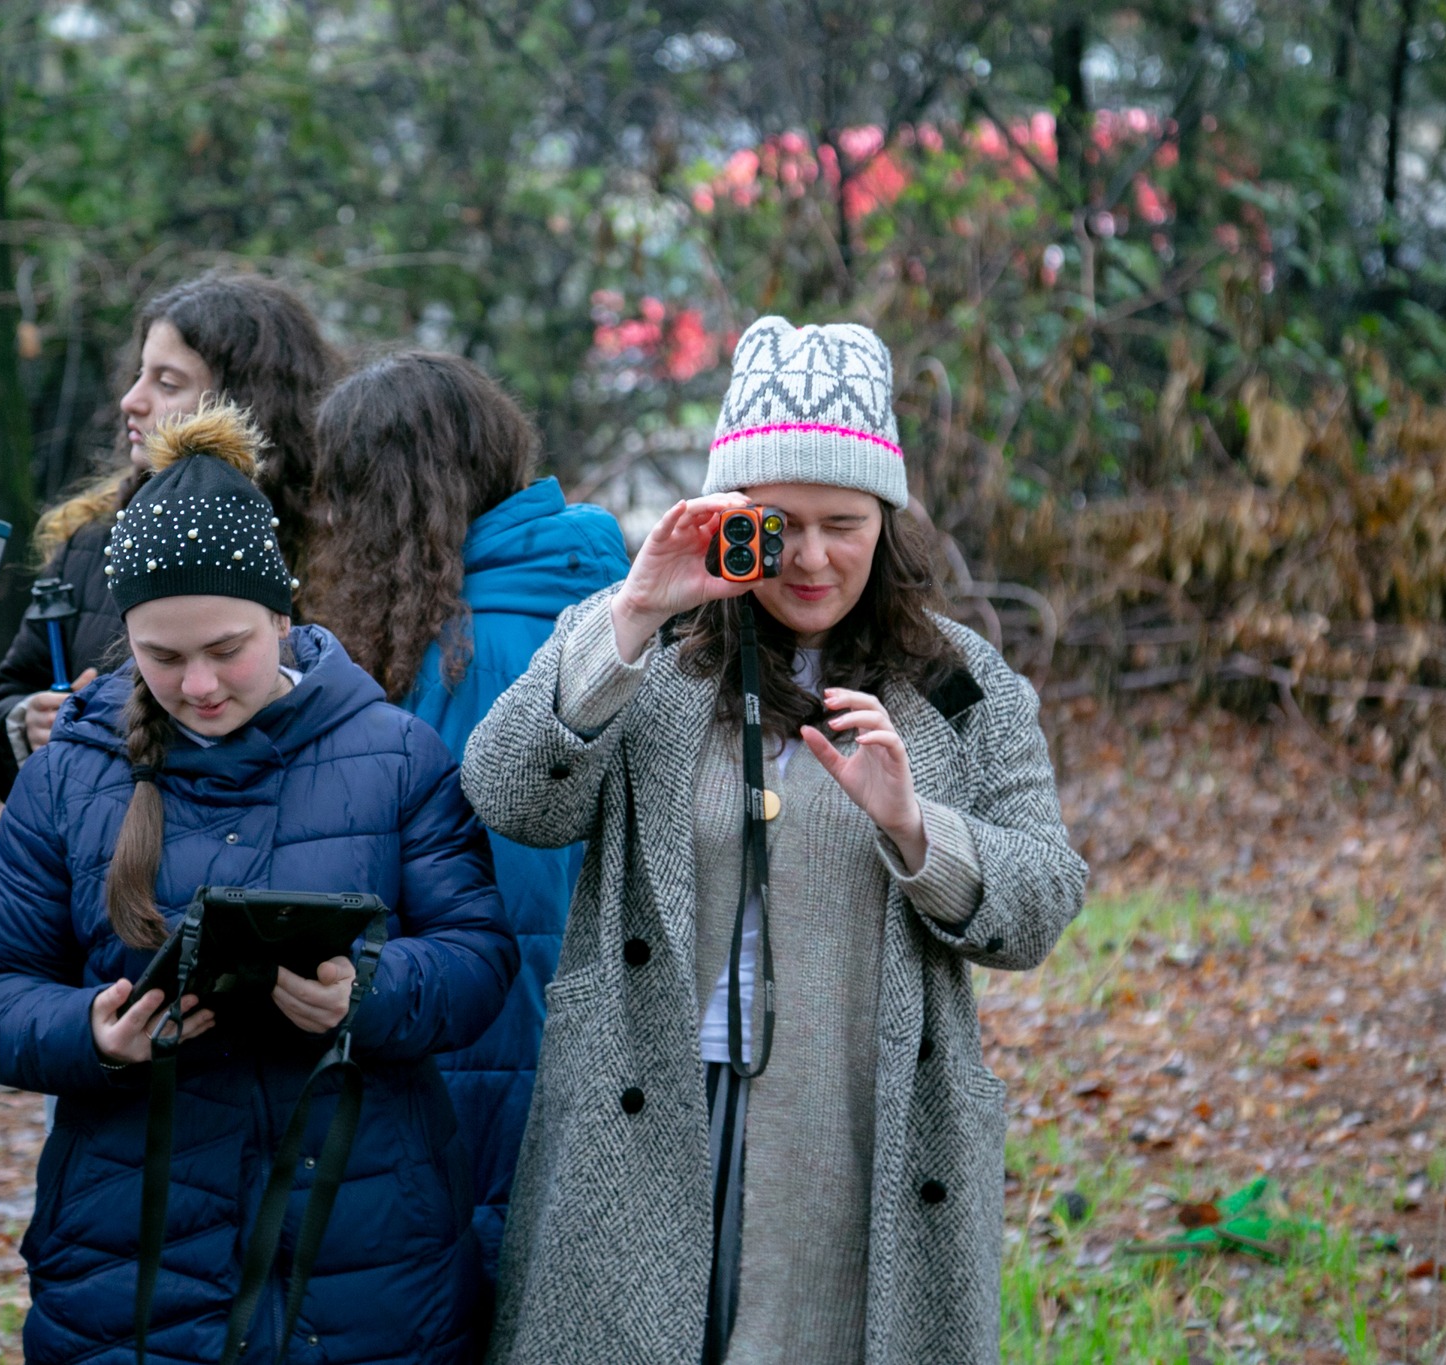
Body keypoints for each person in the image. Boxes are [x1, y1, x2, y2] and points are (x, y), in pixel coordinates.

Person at [460, 317, 1089, 1365]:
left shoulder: (955, 683)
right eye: (776, 522)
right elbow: (510, 794)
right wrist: (632, 614)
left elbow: (1042, 901)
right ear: (726, 514)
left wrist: (913, 827)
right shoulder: (649, 642)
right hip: (647, 1099)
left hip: (855, 1111)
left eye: (843, 522)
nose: (809, 557)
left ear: (888, 520)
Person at [0, 402, 518, 1364]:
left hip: (364, 1254)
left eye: (227, 649)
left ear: (283, 615)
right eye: (163, 657)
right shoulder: (68, 775)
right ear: (126, 637)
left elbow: (478, 956)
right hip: (129, 1255)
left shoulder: (397, 754)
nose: (200, 685)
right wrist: (92, 1031)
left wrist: (367, 993)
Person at [299, 351, 629, 1303]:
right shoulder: (567, 596)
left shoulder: (477, 647)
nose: (331, 518)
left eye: (345, 490)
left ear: (396, 495)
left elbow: (515, 907)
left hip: (491, 1055)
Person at [0, 271, 339, 801]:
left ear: (245, 405)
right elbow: (5, 696)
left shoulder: (333, 556)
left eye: (167, 384)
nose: (131, 400)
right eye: (138, 375)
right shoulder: (93, 543)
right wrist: (24, 721)